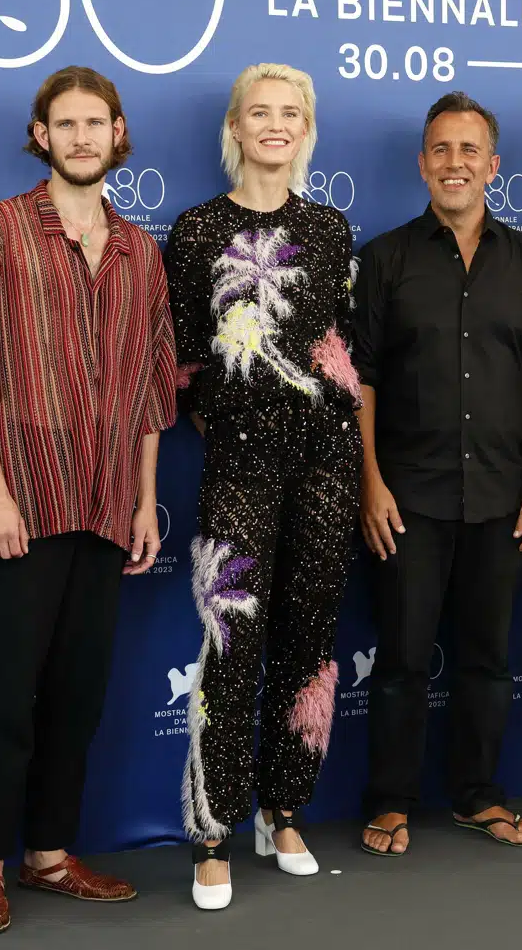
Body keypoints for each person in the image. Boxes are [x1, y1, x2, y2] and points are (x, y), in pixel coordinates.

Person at [0, 66, 177, 933]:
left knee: (78, 694)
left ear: (119, 134)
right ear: (41, 135)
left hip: (111, 504)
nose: (81, 138)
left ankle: (48, 855)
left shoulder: (140, 250)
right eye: (64, 124)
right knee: (3, 695)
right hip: (22, 505)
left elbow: (154, 389)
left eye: (96, 123)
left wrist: (146, 500)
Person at [353, 92, 522, 857]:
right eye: (440, 150)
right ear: (422, 164)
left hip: (504, 496)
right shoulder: (383, 259)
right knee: (403, 657)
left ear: (493, 165)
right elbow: (363, 380)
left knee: (487, 655)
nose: (455, 163)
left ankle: (477, 794)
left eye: (469, 150)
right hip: (406, 495)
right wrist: (369, 481)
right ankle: (389, 801)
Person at [165, 64, 361, 911]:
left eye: (291, 114)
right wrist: (239, 421)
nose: (274, 125)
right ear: (236, 129)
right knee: (231, 641)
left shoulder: (329, 226)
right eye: (260, 113)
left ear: (306, 129)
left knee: (310, 635)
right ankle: (214, 828)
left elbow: (341, 352)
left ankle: (284, 809)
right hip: (240, 462)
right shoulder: (197, 227)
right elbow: (184, 357)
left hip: (327, 461)